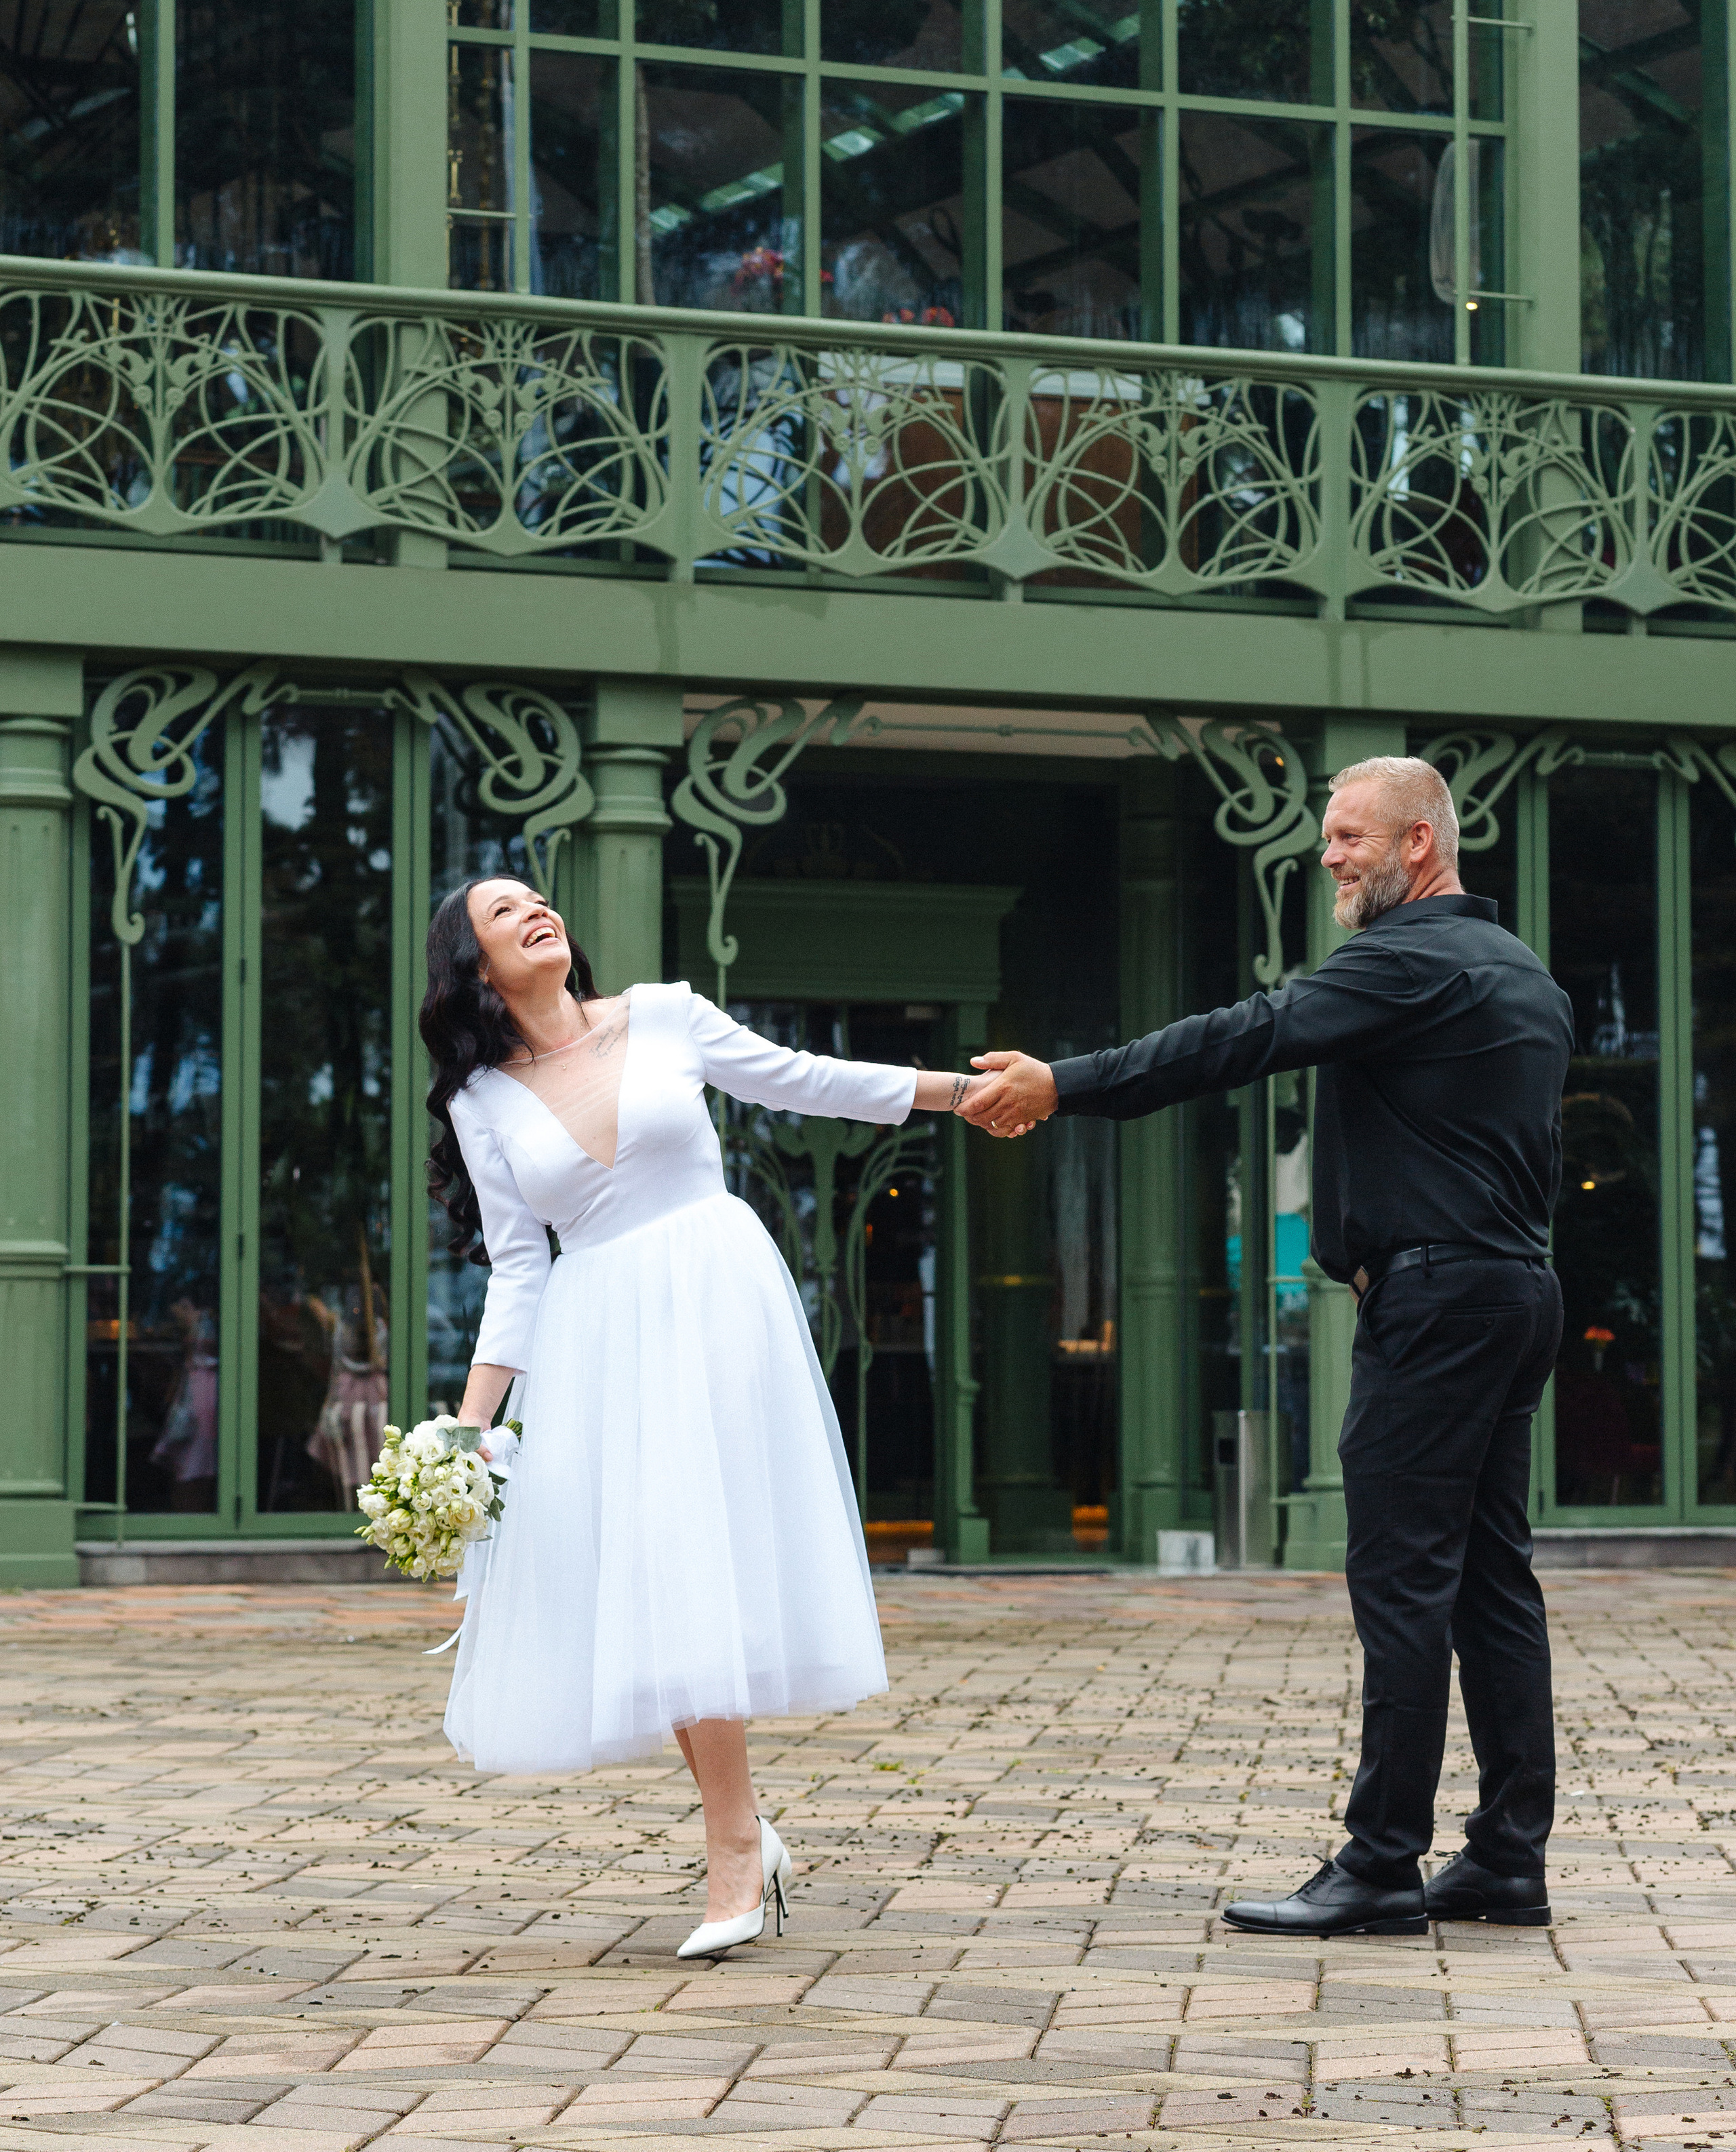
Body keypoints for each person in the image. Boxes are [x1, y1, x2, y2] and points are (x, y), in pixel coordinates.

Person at [960, 757, 1574, 1936]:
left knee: (1403, 1586)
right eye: (1329, 837)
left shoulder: (1406, 960)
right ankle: (1507, 1856)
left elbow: (1243, 1037)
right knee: (1494, 1584)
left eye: (1353, 836)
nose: (1332, 855)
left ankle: (1381, 1866)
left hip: (1440, 1303)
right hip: (1516, 1292)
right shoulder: (1520, 972)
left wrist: (1064, 1084)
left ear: (1420, 849)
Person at [420, 875, 986, 1960]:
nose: (537, 909)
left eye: (541, 897)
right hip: (596, 1338)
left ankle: (734, 1842)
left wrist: (958, 1093)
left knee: (694, 1558)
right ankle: (739, 1835)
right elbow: (517, 1270)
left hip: (717, 1304)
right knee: (660, 1569)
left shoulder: (667, 1013)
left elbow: (809, 1081)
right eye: (503, 912)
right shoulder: (479, 1102)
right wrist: (468, 1428)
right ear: (474, 967)